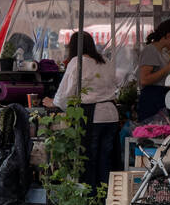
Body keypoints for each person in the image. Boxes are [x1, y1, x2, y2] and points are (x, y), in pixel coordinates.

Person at [44, 32, 118, 190]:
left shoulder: (77, 61)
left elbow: (65, 93)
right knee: (106, 161)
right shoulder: (105, 60)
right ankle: (107, 200)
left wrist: (53, 102)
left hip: (93, 115)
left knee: (88, 161)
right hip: (111, 115)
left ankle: (91, 204)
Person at [137, 19, 170, 122]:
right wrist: (167, 68)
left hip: (162, 97)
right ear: (168, 36)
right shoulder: (150, 50)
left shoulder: (163, 53)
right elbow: (144, 79)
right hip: (152, 99)